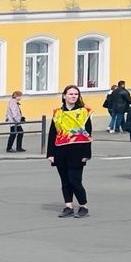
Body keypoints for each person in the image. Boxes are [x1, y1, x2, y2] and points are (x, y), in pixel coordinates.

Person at [46, 85, 92, 219]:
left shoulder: (84, 112)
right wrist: (50, 154)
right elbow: (52, 134)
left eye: (76, 94)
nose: (73, 96)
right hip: (60, 150)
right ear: (64, 96)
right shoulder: (58, 113)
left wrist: (87, 154)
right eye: (71, 94)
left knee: (75, 181)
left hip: (78, 150)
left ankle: (83, 206)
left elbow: (88, 133)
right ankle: (68, 206)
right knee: (65, 181)